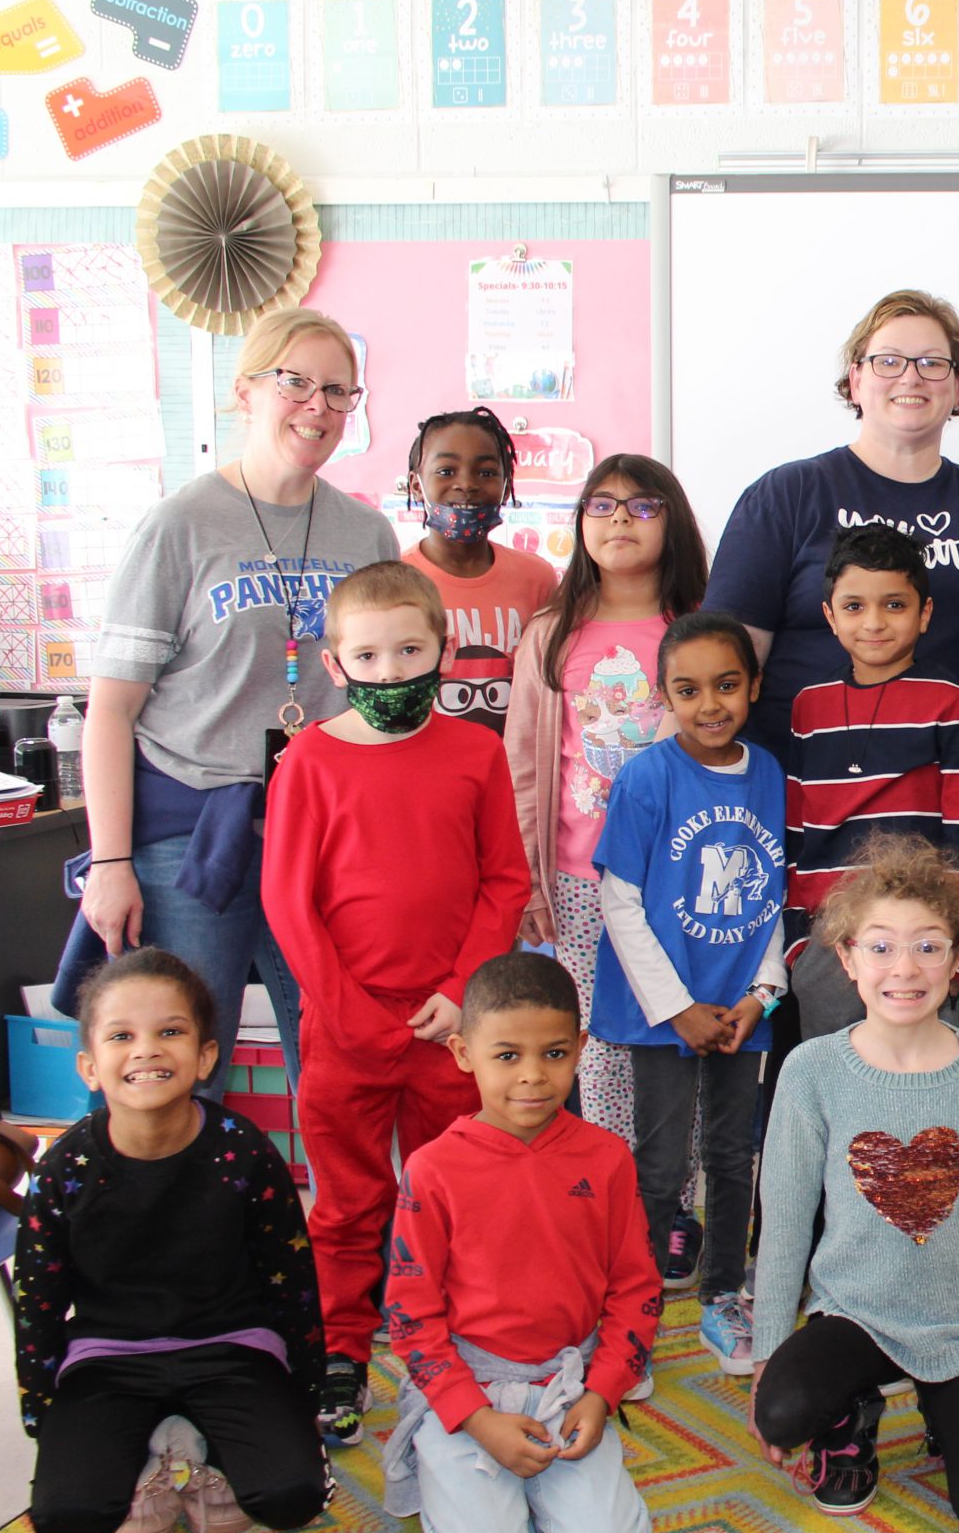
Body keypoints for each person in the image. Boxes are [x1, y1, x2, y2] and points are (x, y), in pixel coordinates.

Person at [75, 306, 399, 1096]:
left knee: (339, 1071)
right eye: (295, 383)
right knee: (174, 1076)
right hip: (189, 836)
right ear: (246, 390)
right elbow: (111, 710)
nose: (317, 407)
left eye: (338, 391)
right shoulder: (180, 526)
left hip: (321, 838)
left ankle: (335, 1224)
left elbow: (387, 705)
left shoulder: (367, 534)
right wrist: (110, 863)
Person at [262, 561, 532, 1447]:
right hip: (343, 1030)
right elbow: (288, 902)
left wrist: (460, 996)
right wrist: (342, 1009)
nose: (390, 670)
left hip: (450, 1032)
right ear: (336, 665)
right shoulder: (306, 759)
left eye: (409, 649)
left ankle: (450, 1336)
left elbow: (503, 878)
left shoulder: (475, 752)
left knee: (450, 1191)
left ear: (442, 650)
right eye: (369, 655)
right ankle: (342, 1347)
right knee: (345, 1202)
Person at [749, 834, 959, 1533]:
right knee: (782, 1410)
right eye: (881, 947)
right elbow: (786, 1221)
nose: (904, 968)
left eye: (927, 946)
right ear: (848, 957)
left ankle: (941, 1406)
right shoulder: (812, 1068)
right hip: (850, 1314)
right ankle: (847, 1419)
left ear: (956, 960)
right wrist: (768, 1352)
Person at [12, 948, 327, 1533]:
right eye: (122, 1035)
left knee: (290, 1499)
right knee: (68, 1517)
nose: (147, 1049)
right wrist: (45, 1419)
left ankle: (194, 1443)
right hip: (108, 1357)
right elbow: (39, 1306)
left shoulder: (244, 1151)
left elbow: (292, 1282)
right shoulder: (64, 1169)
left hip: (233, 1347)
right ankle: (156, 1448)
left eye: (171, 1032)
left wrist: (303, 1396)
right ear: (89, 1065)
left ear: (206, 1055)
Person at [378, 952, 656, 1533]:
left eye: (554, 1054)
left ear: (581, 1048)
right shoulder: (433, 1169)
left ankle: (533, 1491)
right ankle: (447, 1464)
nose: (533, 1077)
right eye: (507, 1056)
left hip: (568, 1385)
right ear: (461, 1053)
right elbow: (410, 1316)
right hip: (468, 1386)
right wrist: (475, 1419)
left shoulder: (607, 1158)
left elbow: (636, 1290)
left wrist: (602, 1392)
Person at [506, 456, 711, 1245]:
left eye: (642, 504)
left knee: (680, 1036)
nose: (620, 518)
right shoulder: (551, 634)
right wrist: (530, 878)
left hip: (680, 881)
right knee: (601, 1043)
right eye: (602, 504)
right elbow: (524, 762)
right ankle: (613, 1201)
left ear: (674, 521)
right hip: (580, 877)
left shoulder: (696, 625)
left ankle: (676, 1204)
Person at [704, 288, 959, 734]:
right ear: (856, 379)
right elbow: (721, 660)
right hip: (803, 784)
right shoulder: (787, 495)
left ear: (958, 386)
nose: (911, 378)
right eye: (888, 361)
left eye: (932, 363)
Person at [592, 613, 788, 1377]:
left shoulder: (770, 773)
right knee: (660, 1162)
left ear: (754, 687)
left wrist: (761, 996)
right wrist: (676, 1007)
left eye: (728, 685)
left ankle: (722, 1295)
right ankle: (632, 1315)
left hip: (742, 1007)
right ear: (662, 696)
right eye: (688, 688)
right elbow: (619, 899)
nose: (710, 703)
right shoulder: (647, 776)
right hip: (663, 1009)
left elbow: (777, 897)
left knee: (736, 1154)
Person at [782, 522, 959, 1039]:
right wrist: (797, 947)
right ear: (829, 616)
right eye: (854, 606)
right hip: (831, 945)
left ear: (925, 614)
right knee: (836, 1095)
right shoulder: (810, 708)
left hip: (922, 945)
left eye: (894, 605)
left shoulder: (953, 704)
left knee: (925, 1096)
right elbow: (793, 833)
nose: (874, 623)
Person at [401, 406, 557, 733]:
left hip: (511, 770)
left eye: (486, 473)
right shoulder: (397, 581)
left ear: (507, 483)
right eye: (446, 471)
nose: (467, 484)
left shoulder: (537, 578)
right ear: (416, 485)